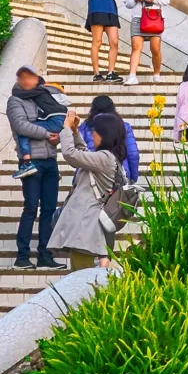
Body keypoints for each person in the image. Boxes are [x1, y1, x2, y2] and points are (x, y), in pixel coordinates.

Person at [5, 67, 67, 270]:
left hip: (50, 159)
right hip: (30, 161)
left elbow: (56, 120)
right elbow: (22, 126)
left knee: (49, 208)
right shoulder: (15, 101)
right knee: (31, 207)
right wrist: (47, 134)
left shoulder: (41, 97)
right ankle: (22, 257)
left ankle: (45, 255)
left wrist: (58, 136)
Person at [53, 110, 127, 271]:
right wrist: (74, 132)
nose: (92, 133)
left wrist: (65, 128)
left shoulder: (105, 158)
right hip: (86, 225)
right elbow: (83, 155)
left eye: (96, 131)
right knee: (80, 274)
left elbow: (70, 154)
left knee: (80, 278)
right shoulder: (107, 157)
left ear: (105, 134)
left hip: (85, 225)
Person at [121, 0, 172, 78]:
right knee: (136, 47)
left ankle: (156, 74)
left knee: (155, 48)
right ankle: (132, 75)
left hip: (154, 17)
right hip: (138, 17)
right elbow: (127, 2)